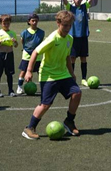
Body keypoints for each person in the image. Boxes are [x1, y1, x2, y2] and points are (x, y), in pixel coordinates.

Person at [22, 10, 82, 140]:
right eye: (65, 25)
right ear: (58, 23)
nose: (67, 28)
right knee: (45, 104)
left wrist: (72, 73)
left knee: (77, 93)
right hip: (48, 75)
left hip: (63, 74)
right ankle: (29, 128)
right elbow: (35, 52)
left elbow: (67, 57)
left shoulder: (69, 39)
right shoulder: (52, 38)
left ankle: (69, 122)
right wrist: (29, 71)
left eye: (70, 26)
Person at [61, 0, 96, 87]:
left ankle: (84, 79)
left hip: (83, 37)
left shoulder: (85, 6)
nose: (78, 0)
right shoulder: (70, 8)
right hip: (73, 38)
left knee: (83, 58)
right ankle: (71, 78)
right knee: (72, 58)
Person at [17, 13, 45, 95]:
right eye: (33, 21)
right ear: (29, 21)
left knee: (40, 71)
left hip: (37, 55)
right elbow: (22, 42)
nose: (34, 22)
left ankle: (44, 87)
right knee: (23, 71)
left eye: (36, 21)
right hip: (26, 55)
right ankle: (19, 87)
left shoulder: (41, 32)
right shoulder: (24, 33)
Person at [0, 14, 18, 97]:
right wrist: (2, 41)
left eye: (8, 23)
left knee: (9, 73)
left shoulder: (12, 33)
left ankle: (11, 90)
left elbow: (16, 45)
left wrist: (15, 42)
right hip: (0, 54)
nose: (6, 25)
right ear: (0, 23)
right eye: (4, 23)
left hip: (10, 54)